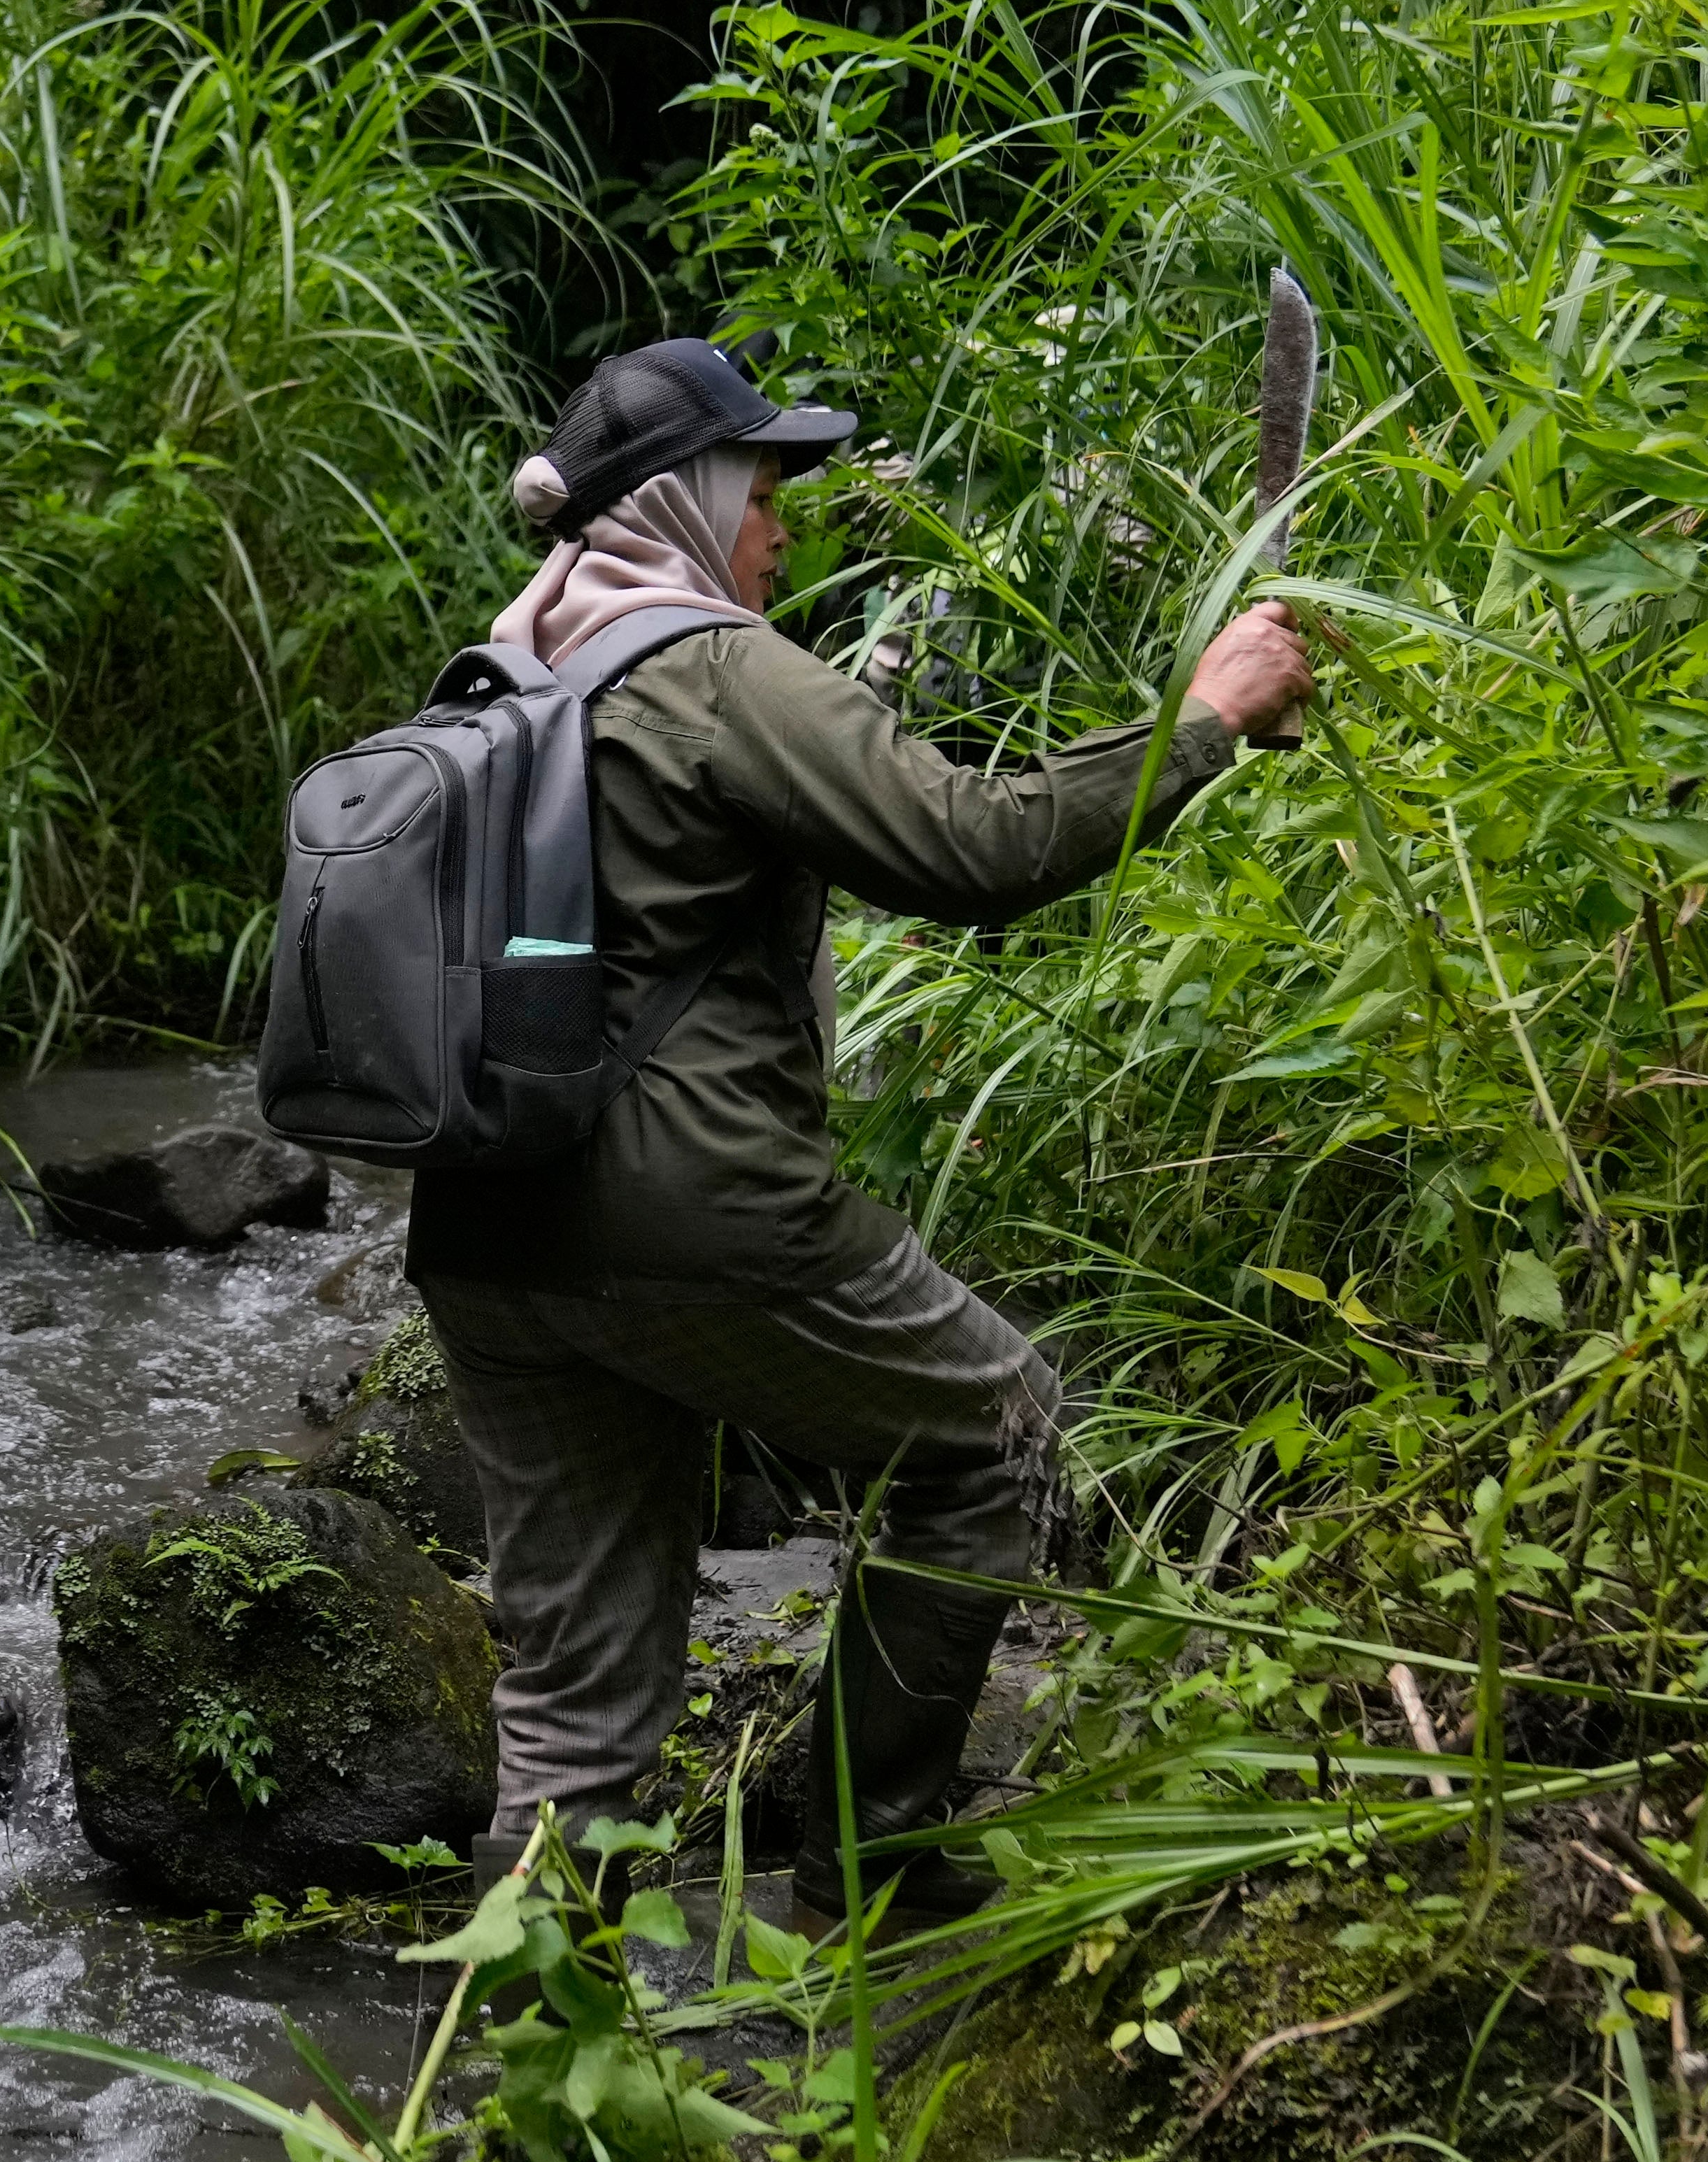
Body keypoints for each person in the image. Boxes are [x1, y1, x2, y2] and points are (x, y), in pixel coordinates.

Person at [410, 333, 1314, 1925]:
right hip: (697, 1219)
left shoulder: (496, 674)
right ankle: (863, 1842)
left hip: (488, 1233)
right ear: (684, 503)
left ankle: (527, 2087)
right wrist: (1206, 717)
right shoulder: (705, 668)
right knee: (994, 1434)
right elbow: (978, 847)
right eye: (763, 490)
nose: (780, 527)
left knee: (572, 1693)